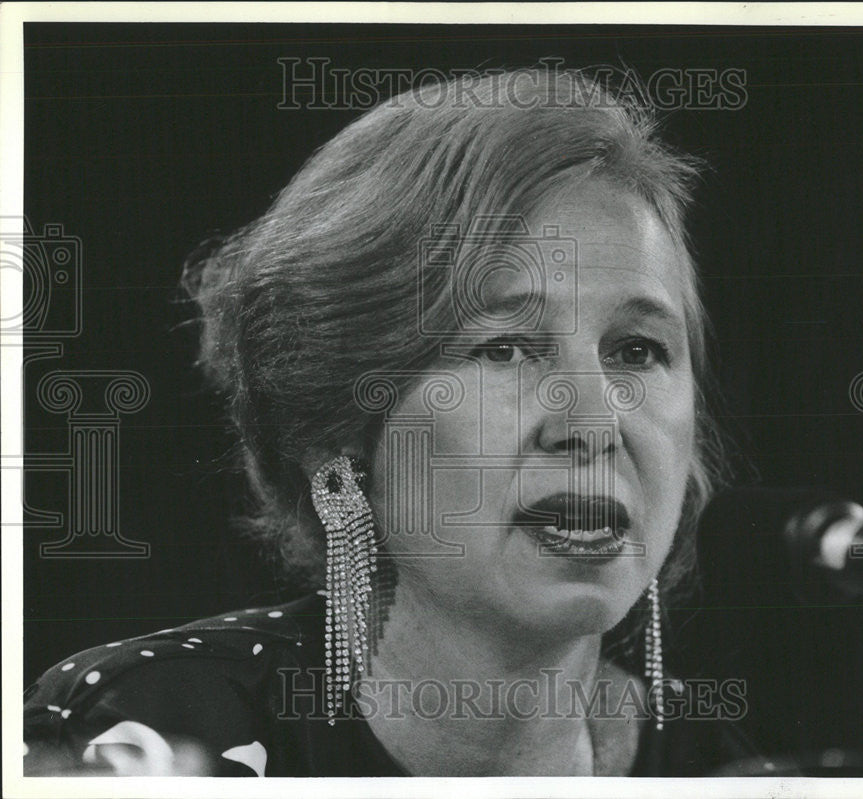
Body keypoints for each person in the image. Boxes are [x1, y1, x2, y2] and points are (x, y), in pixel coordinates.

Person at [23, 67, 755, 777]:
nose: (594, 423)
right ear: (336, 429)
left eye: (636, 350)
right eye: (502, 348)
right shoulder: (137, 736)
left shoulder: (733, 767)